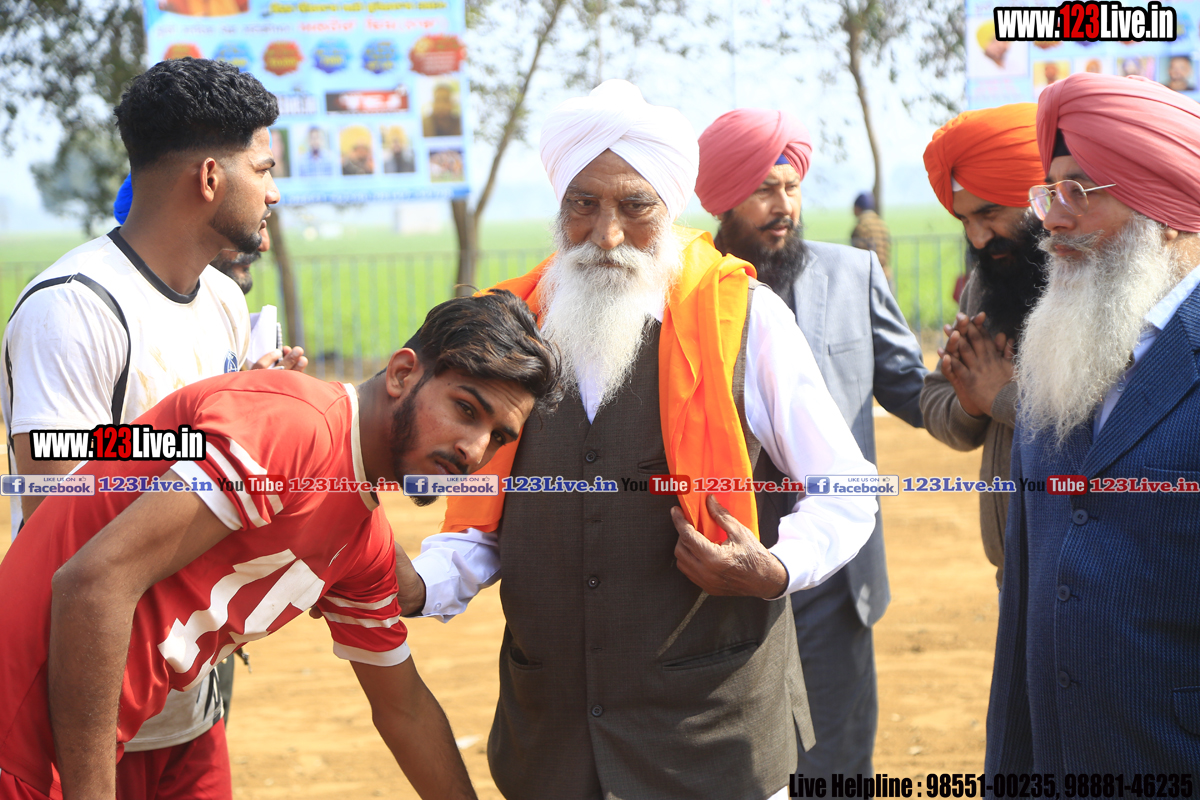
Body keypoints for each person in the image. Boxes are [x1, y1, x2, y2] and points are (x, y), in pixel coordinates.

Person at [398, 80, 878, 800]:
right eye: (583, 204)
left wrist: (777, 568)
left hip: (710, 737)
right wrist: (419, 585)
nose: (606, 234)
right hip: (552, 743)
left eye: (634, 206)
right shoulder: (509, 329)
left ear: (671, 205)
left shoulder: (746, 319)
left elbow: (847, 488)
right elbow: (482, 527)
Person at [0, 287, 562, 800]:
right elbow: (92, 584)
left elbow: (404, 709)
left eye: (498, 437)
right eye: (466, 409)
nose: (474, 450)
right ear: (401, 373)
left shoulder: (363, 538)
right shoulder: (295, 428)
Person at [0, 58, 303, 800]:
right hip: (82, 720)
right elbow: (60, 504)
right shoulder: (74, 307)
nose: (273, 191)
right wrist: (206, 447)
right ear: (210, 178)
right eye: (263, 168)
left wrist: (260, 404)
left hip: (189, 698)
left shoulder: (222, 302)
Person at [695, 108, 925, 781]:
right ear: (723, 198)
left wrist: (987, 396)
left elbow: (914, 392)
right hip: (721, 576)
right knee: (735, 772)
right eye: (764, 190)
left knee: (835, 769)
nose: (783, 205)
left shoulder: (854, 275)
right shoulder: (686, 292)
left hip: (832, 577)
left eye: (791, 188)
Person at [987, 72, 1200, 773]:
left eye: (1080, 191)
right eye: (1049, 192)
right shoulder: (1054, 354)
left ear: (1169, 210)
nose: (1052, 218)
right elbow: (1023, 611)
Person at [920, 104, 1048, 587]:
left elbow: (1117, 430)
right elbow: (937, 399)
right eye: (964, 220)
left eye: (990, 213)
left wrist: (1004, 398)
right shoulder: (987, 281)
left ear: (1039, 196)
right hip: (1010, 572)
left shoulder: (1095, 286)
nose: (977, 237)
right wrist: (971, 404)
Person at [849, 191, 891, 278]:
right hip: (885, 273)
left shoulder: (861, 227)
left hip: (870, 275)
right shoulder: (881, 223)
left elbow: (857, 255)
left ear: (857, 208)